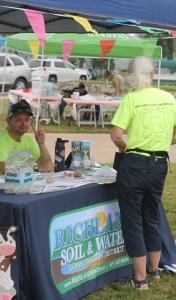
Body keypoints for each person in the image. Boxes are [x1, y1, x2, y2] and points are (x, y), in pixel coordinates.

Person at [111, 56, 176, 290]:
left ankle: (140, 280)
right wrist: (165, 141)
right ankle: (154, 270)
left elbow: (117, 135)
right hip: (159, 164)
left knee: (132, 220)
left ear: (130, 76)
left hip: (135, 163)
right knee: (151, 215)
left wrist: (124, 148)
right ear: (152, 75)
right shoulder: (169, 98)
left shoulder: (131, 99)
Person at [0, 99, 53, 177]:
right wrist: (37, 169)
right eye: (19, 119)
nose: (24, 124)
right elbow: (6, 171)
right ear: (9, 121)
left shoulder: (28, 140)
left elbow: (47, 164)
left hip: (17, 186)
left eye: (27, 120)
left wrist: (41, 143)